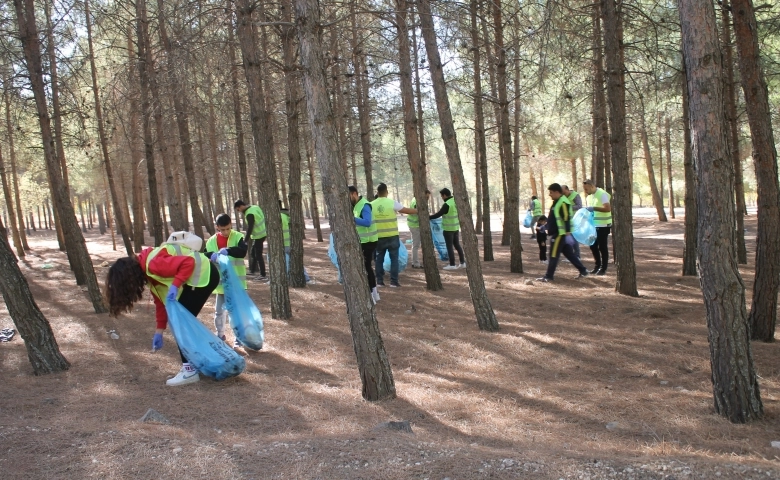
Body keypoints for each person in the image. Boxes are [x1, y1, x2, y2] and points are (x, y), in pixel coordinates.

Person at [105, 237, 220, 386]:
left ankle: (189, 370)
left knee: (181, 323)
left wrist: (176, 285)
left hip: (204, 276)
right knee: (181, 321)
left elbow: (188, 263)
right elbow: (161, 302)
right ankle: (198, 363)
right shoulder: (149, 272)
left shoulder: (153, 265)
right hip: (203, 277)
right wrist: (159, 331)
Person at [205, 213, 248, 354]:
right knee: (219, 312)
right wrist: (210, 255)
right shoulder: (211, 241)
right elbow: (205, 255)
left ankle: (239, 338)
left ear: (231, 225)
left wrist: (228, 250)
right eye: (222, 229)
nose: (225, 232)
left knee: (236, 313)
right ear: (217, 227)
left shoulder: (237, 237)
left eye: (228, 228)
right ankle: (220, 335)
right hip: (221, 285)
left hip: (235, 284)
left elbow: (242, 252)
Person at [536, 183, 589, 282]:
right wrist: (545, 226)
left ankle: (548, 276)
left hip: (560, 235)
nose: (549, 194)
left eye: (551, 192)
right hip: (559, 233)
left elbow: (566, 218)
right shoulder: (557, 202)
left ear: (557, 192)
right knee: (570, 254)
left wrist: (567, 233)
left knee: (553, 255)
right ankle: (583, 270)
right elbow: (554, 219)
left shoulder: (563, 202)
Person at [371, 183, 417, 287]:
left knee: (379, 259)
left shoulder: (371, 204)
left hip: (378, 237)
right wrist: (418, 211)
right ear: (386, 192)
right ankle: (394, 282)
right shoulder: (392, 203)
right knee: (394, 259)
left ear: (377, 192)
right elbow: (406, 210)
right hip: (392, 236)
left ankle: (379, 281)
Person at [349, 185, 380, 303]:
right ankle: (374, 294)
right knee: (366, 267)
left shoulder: (365, 205)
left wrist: (351, 218)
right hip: (364, 241)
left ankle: (372, 295)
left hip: (369, 241)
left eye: (349, 196)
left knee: (366, 267)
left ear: (354, 193)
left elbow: (367, 222)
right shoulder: (356, 205)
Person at [429, 188, 465, 271]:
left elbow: (438, 214)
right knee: (457, 245)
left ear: (445, 195)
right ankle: (462, 263)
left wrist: (428, 217)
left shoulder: (447, 204)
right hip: (455, 228)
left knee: (449, 247)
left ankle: (452, 264)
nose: (442, 198)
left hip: (448, 229)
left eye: (442, 196)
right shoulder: (455, 201)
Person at [583, 179, 612, 275]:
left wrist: (594, 208)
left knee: (602, 247)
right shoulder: (590, 197)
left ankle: (603, 268)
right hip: (593, 225)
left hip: (603, 225)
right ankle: (597, 266)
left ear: (592, 186)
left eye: (587, 189)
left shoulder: (601, 194)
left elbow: (607, 208)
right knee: (593, 245)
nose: (586, 191)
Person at [234, 200, 266, 281]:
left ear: (241, 206)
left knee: (258, 254)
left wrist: (245, 240)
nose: (239, 211)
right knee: (252, 252)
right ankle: (253, 270)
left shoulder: (249, 214)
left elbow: (250, 228)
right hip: (262, 233)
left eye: (238, 209)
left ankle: (263, 274)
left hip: (259, 235)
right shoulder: (255, 207)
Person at [408, 189, 431, 268]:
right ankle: (415, 263)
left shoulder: (415, 199)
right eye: (427, 196)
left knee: (415, 244)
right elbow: (419, 212)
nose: (427, 198)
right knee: (416, 245)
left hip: (414, 225)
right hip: (415, 225)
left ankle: (415, 262)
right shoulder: (417, 202)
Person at [562, 185, 582, 259]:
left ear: (567, 189)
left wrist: (569, 207)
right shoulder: (563, 197)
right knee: (568, 238)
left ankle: (577, 255)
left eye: (564, 192)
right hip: (567, 220)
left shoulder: (575, 195)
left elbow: (579, 206)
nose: (563, 194)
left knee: (573, 237)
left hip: (575, 219)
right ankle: (571, 255)